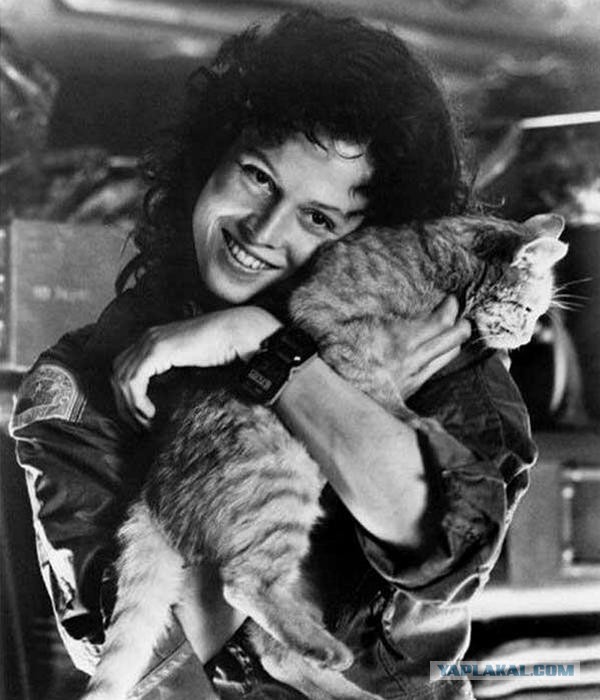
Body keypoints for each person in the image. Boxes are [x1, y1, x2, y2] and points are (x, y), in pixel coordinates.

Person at [10, 10, 536, 700]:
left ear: (370, 236)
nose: (263, 231)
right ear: (209, 159)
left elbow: (439, 546)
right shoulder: (78, 385)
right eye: (258, 177)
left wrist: (271, 351)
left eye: (318, 218)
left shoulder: (440, 340)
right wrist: (337, 391)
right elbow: (163, 658)